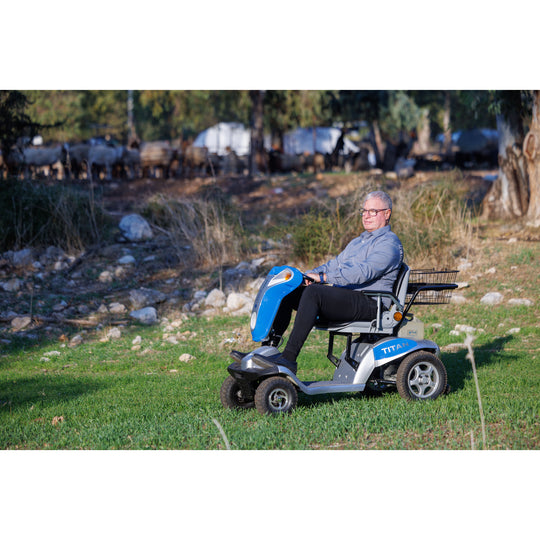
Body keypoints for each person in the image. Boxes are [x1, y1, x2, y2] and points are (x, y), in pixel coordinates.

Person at [257, 190, 404, 375]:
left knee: (314, 293)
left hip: (371, 302)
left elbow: (362, 273)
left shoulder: (389, 244)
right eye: (364, 211)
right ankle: (268, 351)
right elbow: (334, 265)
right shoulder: (357, 242)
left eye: (373, 211)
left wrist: (323, 278)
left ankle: (288, 359)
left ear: (387, 213)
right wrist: (308, 276)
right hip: (348, 298)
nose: (366, 216)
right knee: (289, 289)